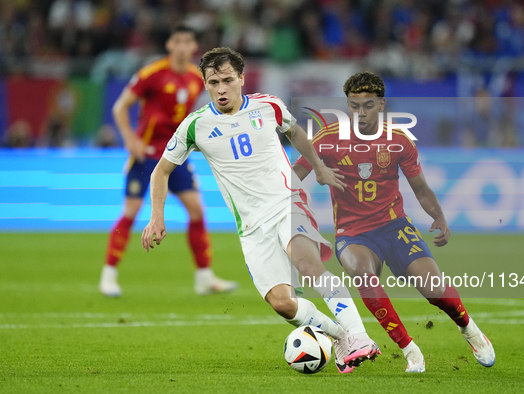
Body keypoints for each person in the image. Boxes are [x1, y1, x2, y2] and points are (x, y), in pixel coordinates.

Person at [141, 47, 380, 373]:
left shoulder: (269, 106)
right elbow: (160, 171)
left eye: (227, 80)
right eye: (213, 82)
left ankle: (361, 337)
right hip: (252, 228)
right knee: (282, 303)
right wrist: (157, 215)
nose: (221, 88)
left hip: (287, 203)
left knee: (308, 266)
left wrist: (319, 168)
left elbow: (295, 132)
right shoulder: (195, 126)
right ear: (205, 84)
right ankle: (341, 338)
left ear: (241, 78)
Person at [293, 71, 495, 372]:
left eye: (368, 105)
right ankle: (409, 349)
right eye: (354, 105)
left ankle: (470, 330)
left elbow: (421, 189)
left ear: (382, 104)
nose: (361, 113)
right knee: (362, 273)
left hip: (394, 226)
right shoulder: (327, 139)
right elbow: (294, 176)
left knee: (434, 289)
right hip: (353, 233)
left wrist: (438, 215)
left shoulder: (399, 141)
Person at [100, 25, 237, 297]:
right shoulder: (151, 74)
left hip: (177, 155)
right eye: (179, 41)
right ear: (170, 45)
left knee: (197, 211)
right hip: (147, 154)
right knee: (131, 212)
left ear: (194, 46)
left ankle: (204, 277)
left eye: (189, 41)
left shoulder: (198, 78)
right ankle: (109, 275)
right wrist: (130, 139)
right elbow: (120, 107)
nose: (184, 47)